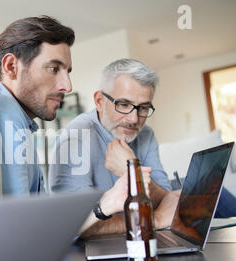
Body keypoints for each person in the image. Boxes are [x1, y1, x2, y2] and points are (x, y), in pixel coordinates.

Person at [49, 58, 180, 238]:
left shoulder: (145, 134)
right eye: (124, 104)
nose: (134, 119)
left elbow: (166, 201)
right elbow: (74, 224)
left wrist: (130, 169)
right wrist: (153, 220)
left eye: (143, 108)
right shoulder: (77, 137)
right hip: (93, 254)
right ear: (100, 101)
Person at [0, 16, 74, 196]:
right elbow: (19, 220)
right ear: (11, 66)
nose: (67, 86)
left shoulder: (17, 119)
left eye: (67, 72)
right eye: (54, 69)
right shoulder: (1, 113)